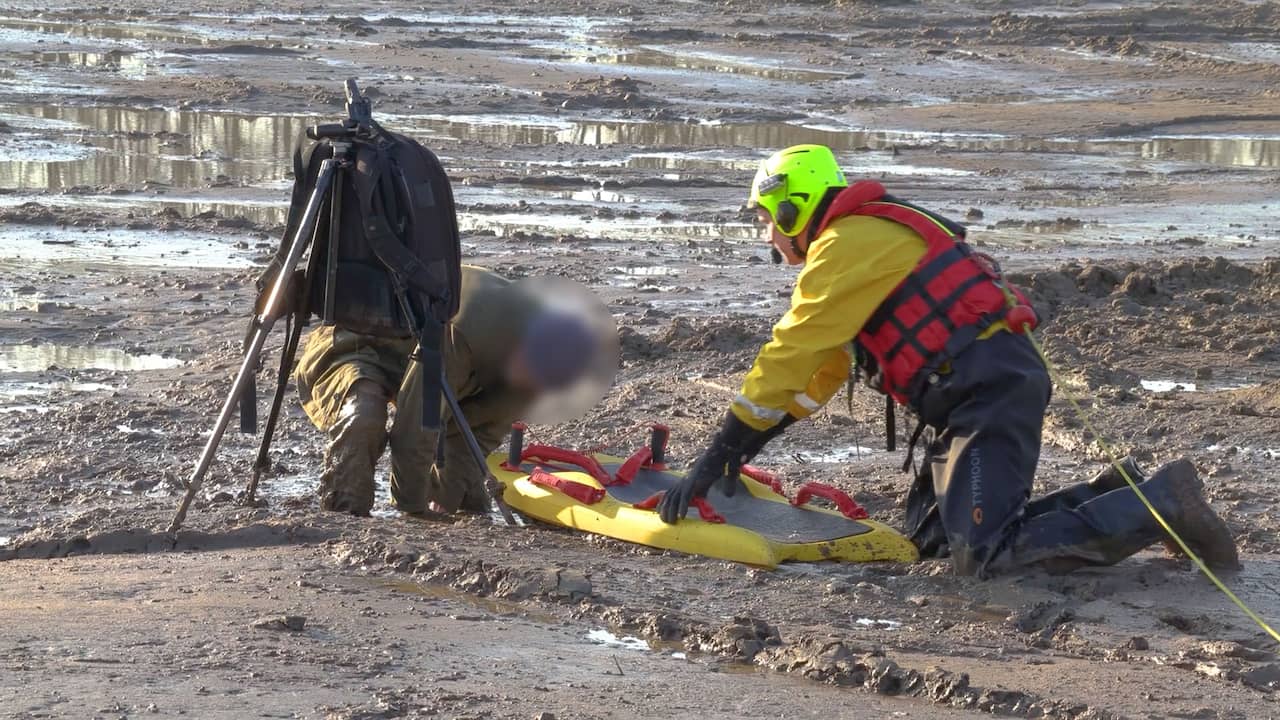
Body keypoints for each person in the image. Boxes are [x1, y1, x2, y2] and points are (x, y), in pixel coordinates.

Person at [657, 144, 1239, 577]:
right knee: (930, 539)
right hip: (972, 400)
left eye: (766, 218)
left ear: (793, 207)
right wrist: (745, 449)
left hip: (992, 394)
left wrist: (712, 456)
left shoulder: (843, 247)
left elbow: (789, 351)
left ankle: (1164, 504)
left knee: (983, 558)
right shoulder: (857, 243)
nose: (766, 236)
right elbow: (820, 375)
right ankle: (1118, 494)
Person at [296, 265, 601, 517]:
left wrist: (445, 496)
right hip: (355, 344)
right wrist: (413, 510)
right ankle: (343, 517)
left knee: (469, 500)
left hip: (422, 363)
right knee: (363, 417)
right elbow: (414, 427)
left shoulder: (533, 373)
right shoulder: (467, 332)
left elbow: (475, 436)